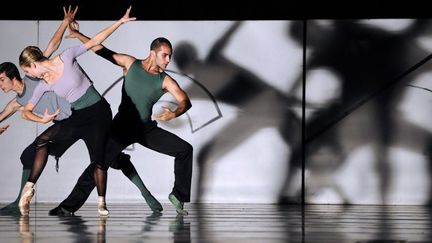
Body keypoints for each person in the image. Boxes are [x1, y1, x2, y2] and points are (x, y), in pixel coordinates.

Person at [49, 22, 193, 216]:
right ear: (153, 53)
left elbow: (185, 100)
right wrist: (79, 35)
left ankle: (178, 195)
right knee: (98, 164)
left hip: (146, 129)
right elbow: (102, 51)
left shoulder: (165, 80)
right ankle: (68, 206)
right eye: (164, 55)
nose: (168, 60)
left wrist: (175, 113)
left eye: (170, 56)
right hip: (121, 127)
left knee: (185, 150)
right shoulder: (130, 64)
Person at [17, 6, 136, 216]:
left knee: (98, 161)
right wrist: (41, 119)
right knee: (42, 140)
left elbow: (94, 41)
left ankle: (101, 203)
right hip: (78, 116)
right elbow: (25, 111)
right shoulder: (43, 84)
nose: (28, 75)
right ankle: (29, 187)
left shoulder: (66, 56)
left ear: (33, 64)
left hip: (99, 112)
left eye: (27, 70)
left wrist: (119, 22)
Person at [0, 6, 77, 215]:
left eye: (1, 80)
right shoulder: (17, 102)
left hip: (79, 114)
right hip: (63, 125)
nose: (0, 85)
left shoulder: (33, 75)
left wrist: (64, 22)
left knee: (109, 157)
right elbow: (1, 116)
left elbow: (52, 45)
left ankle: (147, 195)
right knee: (27, 155)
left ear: (12, 76)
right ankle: (19, 203)